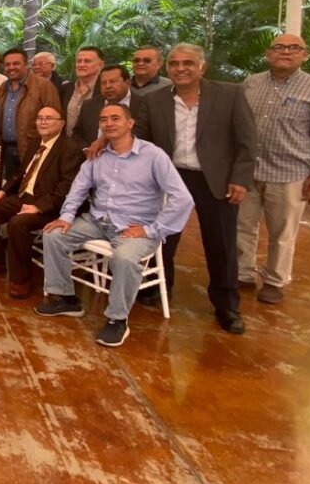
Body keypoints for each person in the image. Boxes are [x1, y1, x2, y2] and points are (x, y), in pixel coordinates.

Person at [35, 104, 194, 347]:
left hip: (136, 226)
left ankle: (117, 320)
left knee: (124, 258)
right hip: (98, 220)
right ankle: (67, 299)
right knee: (53, 234)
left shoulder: (153, 156)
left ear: (130, 123)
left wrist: (151, 229)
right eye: (104, 119)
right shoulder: (97, 155)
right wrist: (66, 216)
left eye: (115, 118)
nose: (109, 123)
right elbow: (78, 188)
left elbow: (183, 199)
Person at [134, 43, 257, 335]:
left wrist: (240, 179)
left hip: (214, 179)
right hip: (170, 178)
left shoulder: (230, 95)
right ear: (167, 68)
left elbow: (247, 141)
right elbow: (140, 139)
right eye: (174, 64)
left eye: (188, 63)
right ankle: (159, 287)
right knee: (163, 238)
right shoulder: (154, 100)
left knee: (221, 243)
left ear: (202, 67)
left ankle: (226, 305)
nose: (180, 69)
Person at [238, 33, 310, 304]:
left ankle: (274, 280)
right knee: (242, 226)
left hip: (290, 174)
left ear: (304, 55)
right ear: (268, 54)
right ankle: (242, 274)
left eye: (294, 48)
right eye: (279, 47)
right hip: (249, 171)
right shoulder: (251, 83)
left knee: (283, 233)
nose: (285, 52)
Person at [0, 108, 84, 298]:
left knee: (18, 223)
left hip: (50, 205)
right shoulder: (36, 143)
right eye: (40, 118)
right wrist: (4, 191)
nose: (43, 122)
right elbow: (21, 172)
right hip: (24, 196)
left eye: (49, 118)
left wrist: (39, 207)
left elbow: (67, 186)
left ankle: (21, 280)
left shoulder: (70, 149)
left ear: (62, 123)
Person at [0, 48, 61, 182]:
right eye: (7, 64)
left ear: (26, 65)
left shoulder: (43, 85)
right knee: (10, 188)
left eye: (16, 63)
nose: (11, 67)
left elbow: (55, 119)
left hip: (32, 149)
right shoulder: (3, 87)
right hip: (7, 149)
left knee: (31, 188)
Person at [73, 64, 140, 149]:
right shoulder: (89, 105)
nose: (108, 86)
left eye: (113, 82)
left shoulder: (142, 103)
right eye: (104, 83)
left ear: (128, 83)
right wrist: (86, 150)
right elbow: (77, 133)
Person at [60, 46, 104, 136]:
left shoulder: (105, 90)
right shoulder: (65, 88)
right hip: (67, 142)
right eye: (78, 61)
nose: (81, 65)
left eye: (87, 61)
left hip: (93, 143)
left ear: (100, 64)